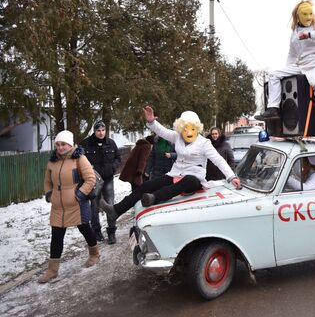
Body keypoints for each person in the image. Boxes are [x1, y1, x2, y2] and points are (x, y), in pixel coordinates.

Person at [100, 106, 241, 221]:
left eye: (192, 128)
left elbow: (218, 159)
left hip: (194, 178)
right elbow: (162, 131)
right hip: (176, 173)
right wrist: (151, 122)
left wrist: (231, 176)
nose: (188, 131)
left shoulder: (204, 143)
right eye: (185, 128)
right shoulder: (177, 137)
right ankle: (116, 210)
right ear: (181, 128)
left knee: (189, 180)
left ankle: (154, 198)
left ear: (197, 128)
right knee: (147, 185)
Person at [255, 0, 315, 138]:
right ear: (298, 15)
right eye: (305, 14)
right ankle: (273, 109)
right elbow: (292, 54)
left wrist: (311, 35)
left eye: (310, 13)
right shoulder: (295, 33)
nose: (309, 17)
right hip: (302, 65)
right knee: (274, 75)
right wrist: (287, 72)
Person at [40, 130, 99, 283]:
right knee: (56, 237)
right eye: (58, 144)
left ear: (70, 144)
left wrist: (79, 195)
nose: (60, 147)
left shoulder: (79, 158)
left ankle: (94, 254)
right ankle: (52, 270)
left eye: (63, 144)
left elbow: (90, 179)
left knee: (85, 229)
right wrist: (48, 194)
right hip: (58, 206)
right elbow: (47, 181)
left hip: (77, 204)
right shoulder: (52, 160)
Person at [80, 120, 121, 244]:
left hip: (108, 179)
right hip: (93, 180)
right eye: (98, 130)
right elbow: (79, 159)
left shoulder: (111, 143)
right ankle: (96, 232)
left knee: (110, 204)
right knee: (94, 206)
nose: (101, 133)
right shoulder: (86, 144)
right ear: (94, 131)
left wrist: (113, 167)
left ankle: (111, 232)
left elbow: (118, 157)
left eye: (103, 130)